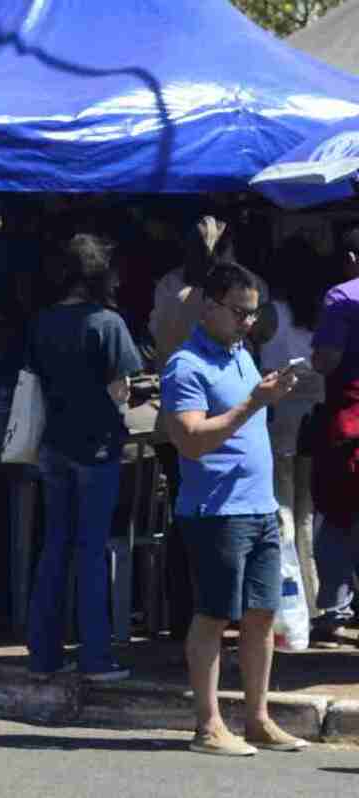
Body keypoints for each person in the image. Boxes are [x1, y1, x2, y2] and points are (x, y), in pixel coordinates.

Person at [162, 261, 307, 756]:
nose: (248, 322)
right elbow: (190, 441)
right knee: (213, 616)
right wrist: (254, 403)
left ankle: (258, 718)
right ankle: (208, 726)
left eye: (254, 313)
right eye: (239, 312)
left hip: (260, 506)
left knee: (262, 615)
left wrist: (267, 393)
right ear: (209, 306)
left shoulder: (242, 354)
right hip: (216, 511)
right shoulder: (185, 366)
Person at [26, 234, 142, 680]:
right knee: (92, 549)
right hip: (96, 446)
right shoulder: (106, 323)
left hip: (53, 444)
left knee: (54, 547)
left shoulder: (42, 321)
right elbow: (121, 391)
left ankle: (44, 655)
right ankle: (95, 656)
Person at [264, 237, 327, 626]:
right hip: (316, 419)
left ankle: (290, 603)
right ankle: (319, 599)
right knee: (312, 515)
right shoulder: (323, 312)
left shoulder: (270, 314)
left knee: (283, 511)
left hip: (281, 422)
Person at [308, 226, 359, 649]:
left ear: (352, 260)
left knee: (338, 517)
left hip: (350, 423)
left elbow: (326, 361)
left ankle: (335, 611)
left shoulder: (342, 297)